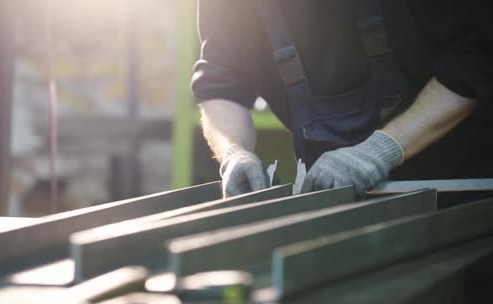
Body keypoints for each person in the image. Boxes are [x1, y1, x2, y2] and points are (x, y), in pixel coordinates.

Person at [191, 0, 492, 205]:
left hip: (459, 194)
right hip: (340, 207)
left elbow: (474, 62)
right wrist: (233, 152)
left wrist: (379, 151)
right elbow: (221, 80)